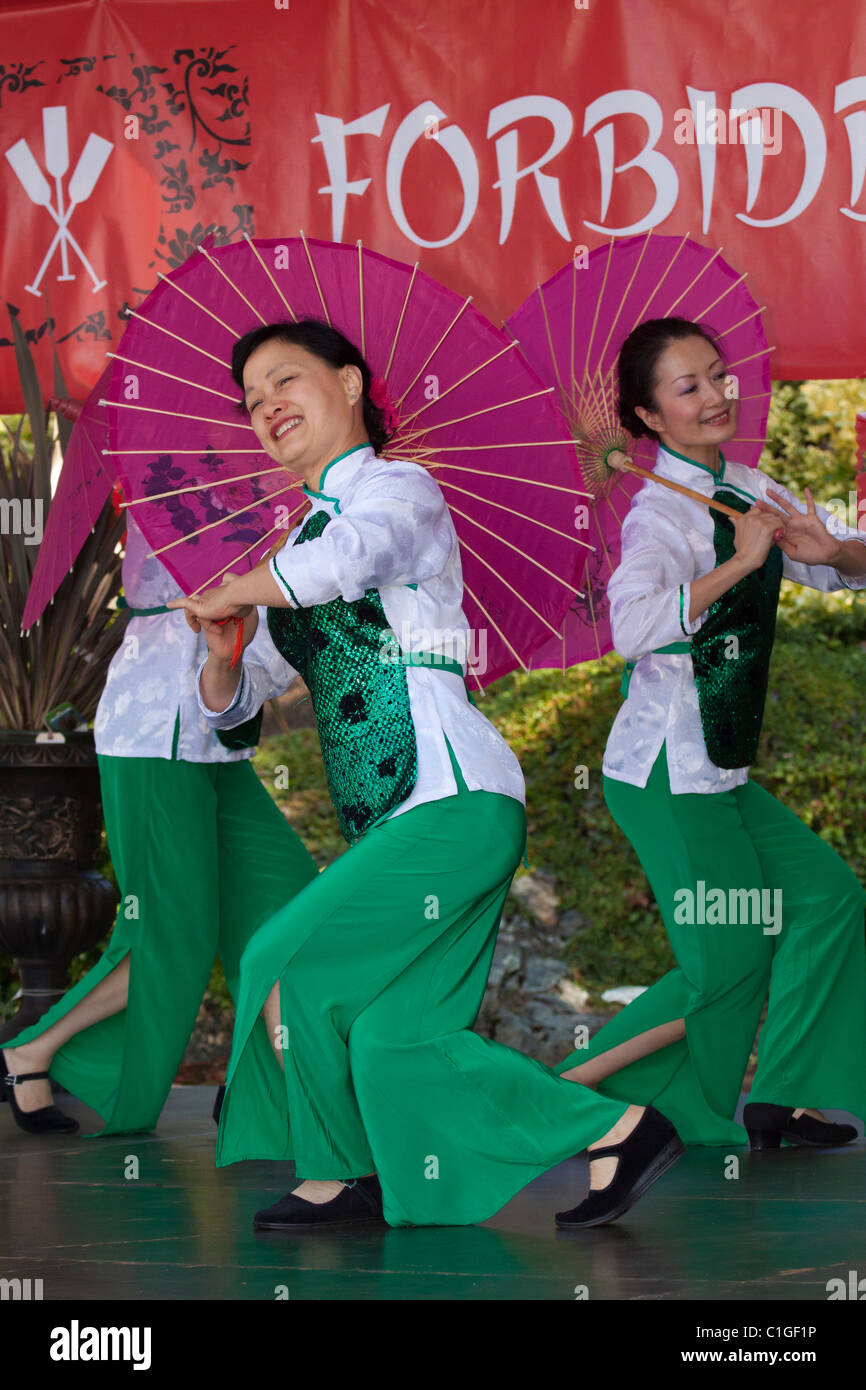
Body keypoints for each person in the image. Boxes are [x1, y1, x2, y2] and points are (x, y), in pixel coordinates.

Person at [168, 317, 685, 1230]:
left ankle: (340, 1175)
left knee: (280, 957)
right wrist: (222, 656)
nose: (267, 407)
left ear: (351, 382)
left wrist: (248, 584)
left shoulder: (397, 492)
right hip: (400, 823)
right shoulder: (304, 537)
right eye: (252, 401)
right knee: (390, 1038)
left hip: (452, 804)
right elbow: (243, 710)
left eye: (285, 381)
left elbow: (350, 562)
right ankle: (617, 1131)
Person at [554, 316, 866, 1151]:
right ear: (648, 418)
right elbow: (633, 627)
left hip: (719, 770)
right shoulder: (656, 519)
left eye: (719, 376)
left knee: (830, 899)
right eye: (688, 386)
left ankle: (784, 1094)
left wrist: (833, 548)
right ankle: (569, 1103)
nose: (716, 394)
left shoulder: (750, 486)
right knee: (725, 961)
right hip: (664, 771)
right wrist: (735, 560)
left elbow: (839, 573)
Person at [1, 510, 318, 1137]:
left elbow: (275, 652)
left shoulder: (313, 506)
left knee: (290, 912)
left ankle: (277, 1097)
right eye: (259, 404)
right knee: (171, 931)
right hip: (153, 734)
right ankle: (32, 1051)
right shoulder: (187, 481)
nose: (275, 410)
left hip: (221, 744)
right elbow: (181, 586)